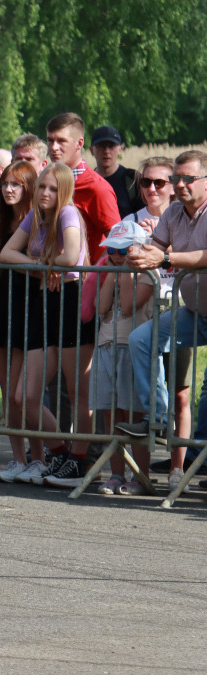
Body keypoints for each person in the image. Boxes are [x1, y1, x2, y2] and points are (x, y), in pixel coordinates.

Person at [1, 163, 93, 486]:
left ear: (64, 191)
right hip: (46, 302)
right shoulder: (35, 217)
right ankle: (62, 452)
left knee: (76, 389)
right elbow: (7, 252)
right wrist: (41, 266)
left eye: (53, 188)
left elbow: (70, 259)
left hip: (71, 298)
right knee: (22, 396)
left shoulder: (68, 214)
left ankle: (78, 461)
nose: (45, 193)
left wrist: (45, 265)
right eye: (42, 187)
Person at [0, 161, 58, 484]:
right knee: (8, 394)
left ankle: (40, 457)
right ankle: (19, 459)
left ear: (30, 188)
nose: (8, 189)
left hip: (30, 309)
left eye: (16, 185)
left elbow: (42, 269)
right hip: (2, 306)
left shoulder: (37, 222)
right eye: (5, 184)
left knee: (24, 395)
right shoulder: (2, 221)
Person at [121, 151, 207, 463]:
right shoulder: (172, 214)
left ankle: (194, 463)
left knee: (205, 395)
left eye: (188, 178)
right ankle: (156, 419)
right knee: (141, 340)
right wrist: (136, 253)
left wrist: (165, 258)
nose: (180, 184)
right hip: (196, 312)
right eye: (176, 178)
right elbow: (153, 248)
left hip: (196, 309)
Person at [91, 222, 154, 494]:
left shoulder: (146, 275)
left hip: (132, 351)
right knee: (111, 415)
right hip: (106, 346)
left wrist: (127, 271)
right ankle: (116, 474)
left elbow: (128, 307)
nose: (116, 256)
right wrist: (112, 271)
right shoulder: (114, 270)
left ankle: (140, 476)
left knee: (134, 415)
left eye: (123, 250)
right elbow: (101, 307)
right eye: (112, 251)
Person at [45, 113, 121, 264]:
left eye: (61, 141)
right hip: (48, 277)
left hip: (81, 280)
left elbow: (117, 239)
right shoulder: (46, 183)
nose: (54, 147)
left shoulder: (96, 187)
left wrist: (92, 276)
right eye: (50, 140)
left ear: (79, 144)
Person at [90, 125, 143, 219]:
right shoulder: (86, 182)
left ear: (120, 150)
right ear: (91, 150)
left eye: (111, 146)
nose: (106, 151)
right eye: (101, 146)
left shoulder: (132, 180)